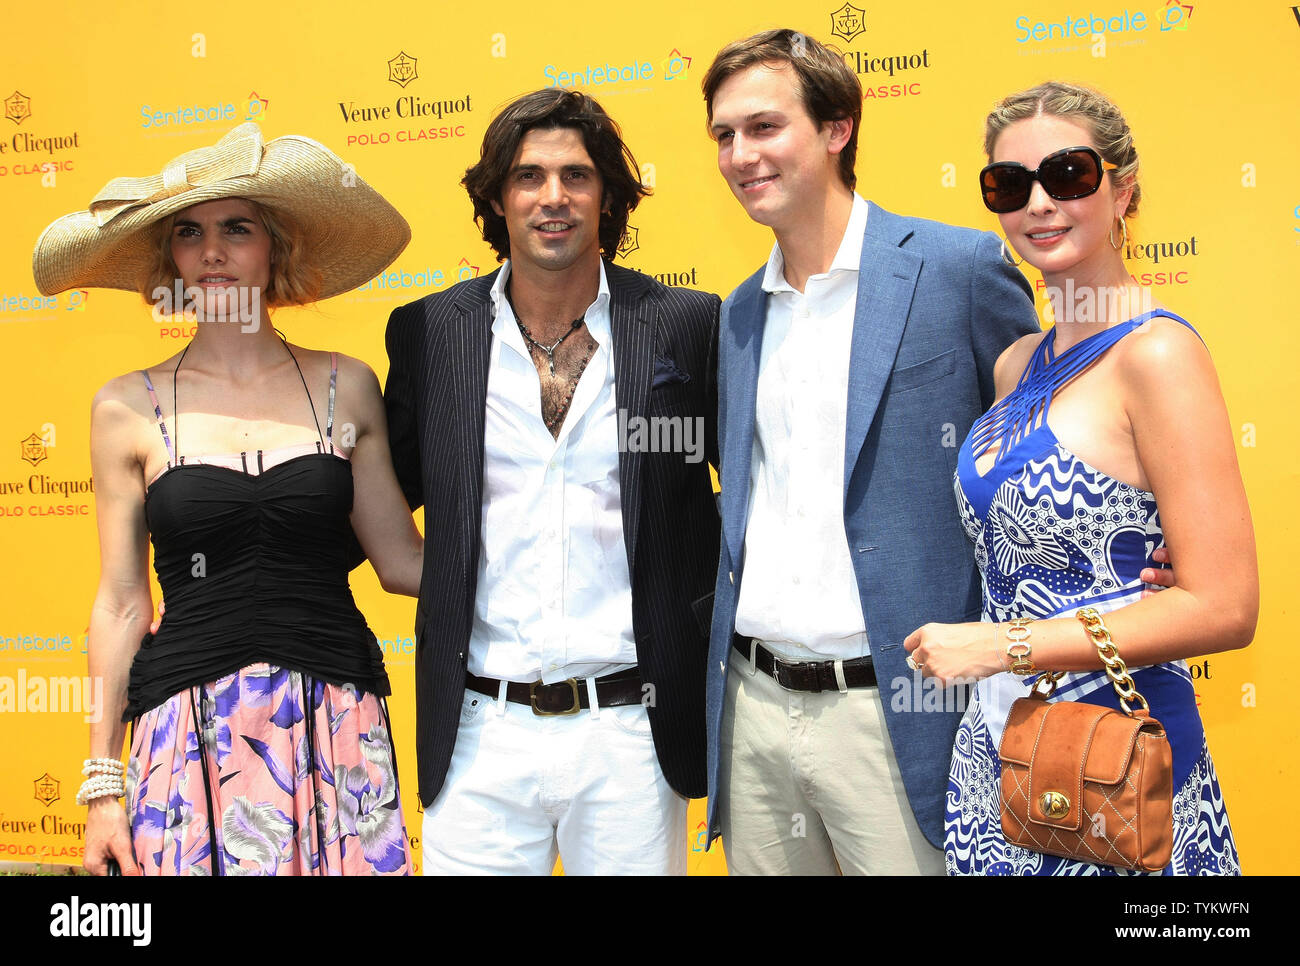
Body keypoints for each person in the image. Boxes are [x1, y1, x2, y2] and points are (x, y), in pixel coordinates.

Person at [34, 122, 423, 875]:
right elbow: (121, 604)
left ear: (274, 247)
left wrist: (540, 561)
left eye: (236, 229)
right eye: (189, 232)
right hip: (186, 731)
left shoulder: (347, 384)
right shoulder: (126, 408)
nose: (211, 251)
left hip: (336, 720)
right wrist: (102, 785)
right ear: (169, 259)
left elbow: (404, 562)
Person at [698, 28, 1042, 875]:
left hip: (903, 710)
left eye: (764, 127)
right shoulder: (737, 315)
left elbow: (1051, 447)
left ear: (838, 127)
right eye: (723, 135)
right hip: (752, 713)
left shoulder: (959, 268)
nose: (741, 154)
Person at [903, 81, 1255, 875]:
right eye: (1009, 184)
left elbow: (1227, 608)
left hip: (1116, 763)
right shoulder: (1016, 363)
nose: (1039, 202)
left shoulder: (1158, 355)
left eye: (1068, 175)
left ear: (1123, 190)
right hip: (1003, 752)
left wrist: (1007, 645)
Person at [383, 89, 719, 875]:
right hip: (476, 728)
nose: (553, 197)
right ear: (496, 198)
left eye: (577, 175)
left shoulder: (684, 323)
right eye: (529, 176)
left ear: (610, 196)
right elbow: (378, 492)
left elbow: (745, 494)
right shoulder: (431, 332)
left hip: (632, 730)